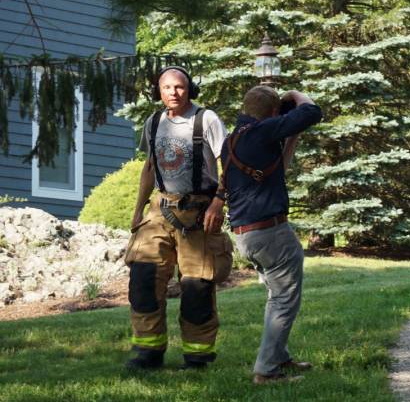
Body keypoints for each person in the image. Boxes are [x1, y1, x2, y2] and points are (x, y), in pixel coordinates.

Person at [124, 66, 230, 370]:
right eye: (167, 87)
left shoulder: (207, 120)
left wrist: (218, 202)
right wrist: (138, 209)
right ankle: (148, 351)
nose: (173, 92)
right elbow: (149, 167)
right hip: (159, 210)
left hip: (198, 212)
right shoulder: (154, 122)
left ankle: (197, 355)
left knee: (197, 285)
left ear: (189, 89)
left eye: (180, 87)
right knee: (143, 278)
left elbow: (230, 164)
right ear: (159, 91)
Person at [221, 86, 323, 384]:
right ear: (273, 112)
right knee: (284, 300)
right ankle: (266, 371)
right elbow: (312, 112)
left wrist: (291, 136)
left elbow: (278, 169)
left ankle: (279, 356)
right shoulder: (261, 131)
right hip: (270, 232)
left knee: (276, 296)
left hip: (247, 235)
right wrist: (296, 94)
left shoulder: (233, 140)